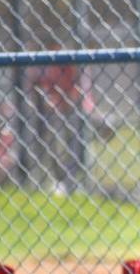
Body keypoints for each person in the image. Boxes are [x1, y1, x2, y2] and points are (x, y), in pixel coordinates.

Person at [24, 45, 94, 194]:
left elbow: (80, 88)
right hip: (55, 108)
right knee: (53, 142)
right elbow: (41, 85)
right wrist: (54, 102)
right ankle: (56, 181)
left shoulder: (76, 59)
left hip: (75, 106)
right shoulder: (47, 61)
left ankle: (76, 182)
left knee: (76, 144)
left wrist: (67, 102)